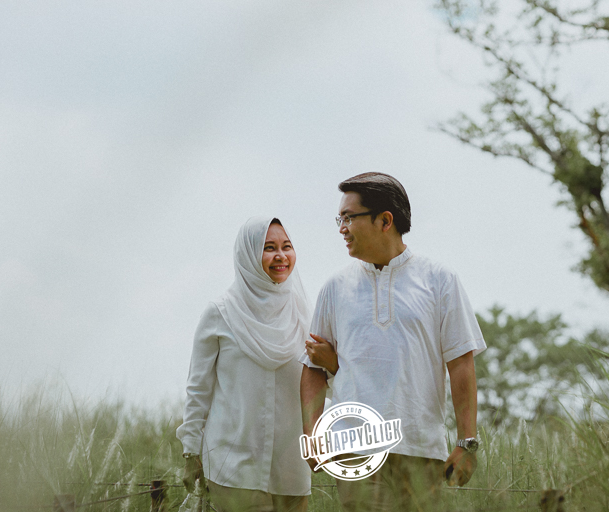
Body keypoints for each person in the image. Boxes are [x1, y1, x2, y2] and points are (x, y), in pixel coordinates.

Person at [300, 172, 486, 512]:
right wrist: (312, 434)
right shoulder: (334, 287)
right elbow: (312, 368)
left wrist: (466, 443)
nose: (342, 228)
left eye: (348, 218)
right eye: (339, 219)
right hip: (354, 450)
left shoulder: (440, 280)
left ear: (385, 220)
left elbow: (461, 363)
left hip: (421, 450)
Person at [179, 216, 326, 512]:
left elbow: (320, 379)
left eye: (286, 246)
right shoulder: (220, 312)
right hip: (234, 465)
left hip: (291, 465)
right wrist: (190, 449)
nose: (281, 255)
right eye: (269, 248)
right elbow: (198, 388)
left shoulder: (303, 313)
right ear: (247, 254)